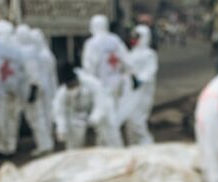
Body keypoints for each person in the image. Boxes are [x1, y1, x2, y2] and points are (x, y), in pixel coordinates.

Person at [81, 14, 128, 145]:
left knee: (104, 118)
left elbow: (89, 66)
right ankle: (105, 144)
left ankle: (110, 146)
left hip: (100, 86)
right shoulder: (115, 40)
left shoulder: (91, 43)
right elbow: (126, 60)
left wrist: (87, 87)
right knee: (112, 116)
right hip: (117, 84)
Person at [0, 20, 30, 157]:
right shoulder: (18, 46)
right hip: (15, 86)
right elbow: (24, 70)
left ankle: (1, 145)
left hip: (0, 87)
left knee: (1, 117)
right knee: (13, 118)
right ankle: (11, 146)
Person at [52, 65, 115, 150]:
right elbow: (59, 111)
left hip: (98, 113)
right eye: (69, 86)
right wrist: (61, 128)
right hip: (79, 116)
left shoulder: (92, 83)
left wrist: (93, 119)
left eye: (73, 84)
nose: (72, 88)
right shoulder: (62, 93)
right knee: (74, 138)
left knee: (107, 135)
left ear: (76, 79)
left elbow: (101, 104)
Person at [13, 26, 55, 154]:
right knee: (39, 116)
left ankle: (44, 145)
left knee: (36, 118)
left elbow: (32, 72)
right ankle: (45, 143)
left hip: (32, 87)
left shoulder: (26, 52)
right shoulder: (34, 50)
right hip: (37, 86)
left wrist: (33, 88)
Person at [121, 24, 158, 146]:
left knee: (138, 121)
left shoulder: (149, 54)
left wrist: (139, 80)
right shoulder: (131, 53)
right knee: (130, 122)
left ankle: (148, 146)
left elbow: (150, 71)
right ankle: (134, 148)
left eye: (137, 36)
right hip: (131, 93)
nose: (134, 39)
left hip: (143, 93)